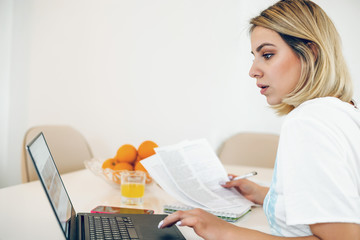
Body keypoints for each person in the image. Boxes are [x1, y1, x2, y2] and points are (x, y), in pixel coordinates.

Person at [158, 0, 360, 239]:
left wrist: (224, 231)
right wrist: (263, 193)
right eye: (255, 56)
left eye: (267, 54)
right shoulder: (343, 113)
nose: (253, 70)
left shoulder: (307, 123)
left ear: (311, 53)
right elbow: (335, 199)